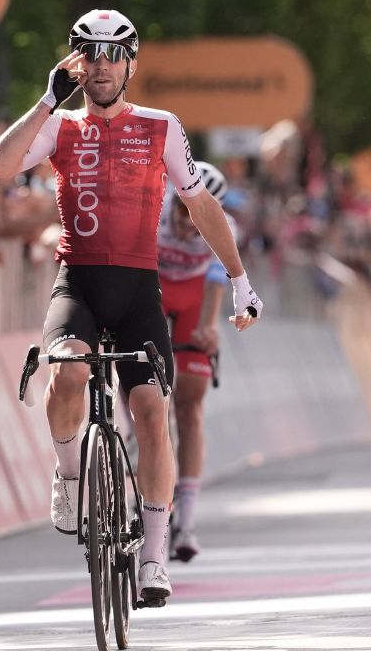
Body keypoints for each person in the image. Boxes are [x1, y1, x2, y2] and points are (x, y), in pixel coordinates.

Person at [0, 9, 264, 606]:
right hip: (78, 282)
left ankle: (156, 557)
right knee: (66, 375)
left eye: (114, 55)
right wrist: (45, 101)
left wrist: (239, 279)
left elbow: (202, 207)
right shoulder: (60, 128)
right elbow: (0, 167)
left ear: (131, 63)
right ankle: (67, 474)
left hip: (139, 288)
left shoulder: (163, 127)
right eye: (90, 54)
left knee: (150, 412)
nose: (102, 65)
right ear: (76, 63)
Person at [156, 161, 233, 564]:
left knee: (190, 403)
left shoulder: (223, 227)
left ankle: (185, 523)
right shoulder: (153, 211)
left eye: (201, 213)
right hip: (153, 291)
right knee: (146, 398)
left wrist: (206, 331)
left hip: (192, 298)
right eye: (185, 210)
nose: (191, 222)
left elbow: (217, 285)